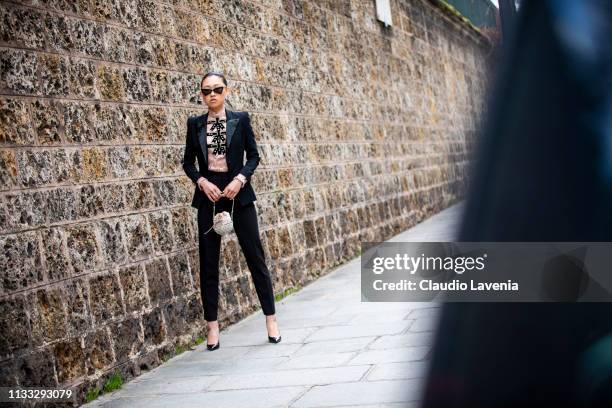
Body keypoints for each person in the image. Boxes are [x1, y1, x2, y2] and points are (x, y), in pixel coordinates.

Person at [181, 71, 281, 350]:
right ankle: (212, 328)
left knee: (255, 257)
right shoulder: (195, 125)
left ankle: (271, 319)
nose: (211, 94)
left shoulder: (241, 119)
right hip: (209, 196)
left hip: (239, 193)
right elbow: (188, 163)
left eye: (217, 89)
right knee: (208, 263)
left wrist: (240, 179)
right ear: (201, 95)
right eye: (206, 91)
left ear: (227, 91)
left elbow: (254, 156)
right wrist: (201, 182)